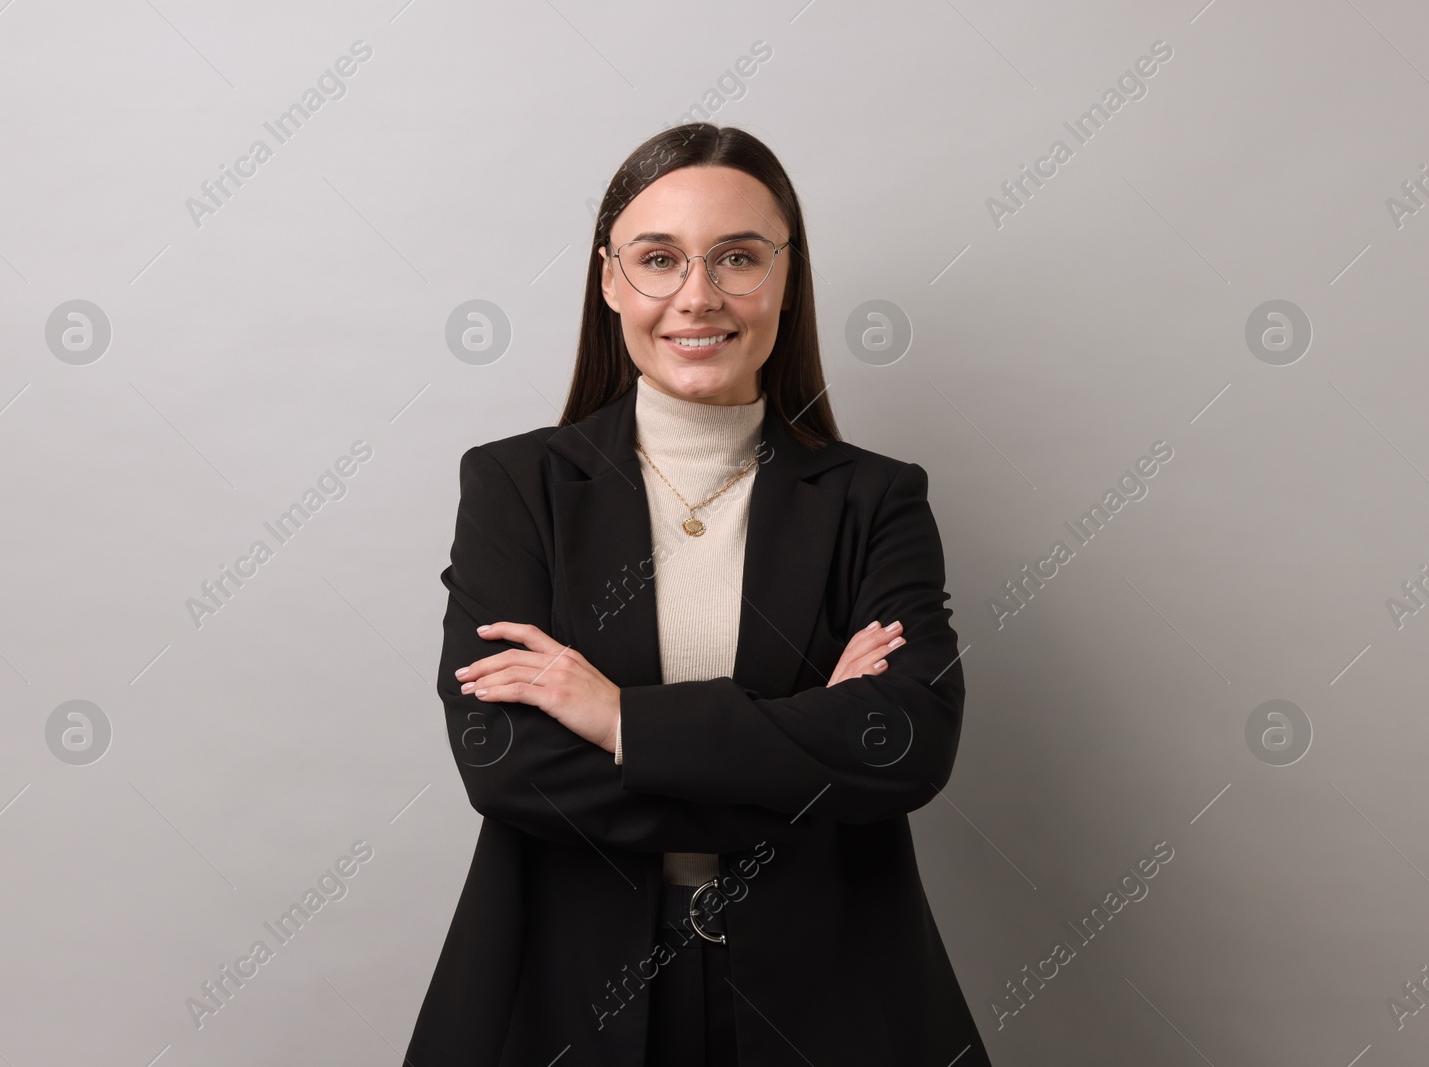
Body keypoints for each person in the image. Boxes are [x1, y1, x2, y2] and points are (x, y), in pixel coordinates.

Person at [404, 122, 992, 1066]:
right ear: (608, 279)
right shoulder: (518, 488)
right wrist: (805, 745)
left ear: (786, 275)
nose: (698, 296)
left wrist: (619, 719)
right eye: (659, 259)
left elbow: (905, 746)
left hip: (824, 1005)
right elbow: (504, 762)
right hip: (568, 1000)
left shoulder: (874, 499)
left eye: (738, 258)